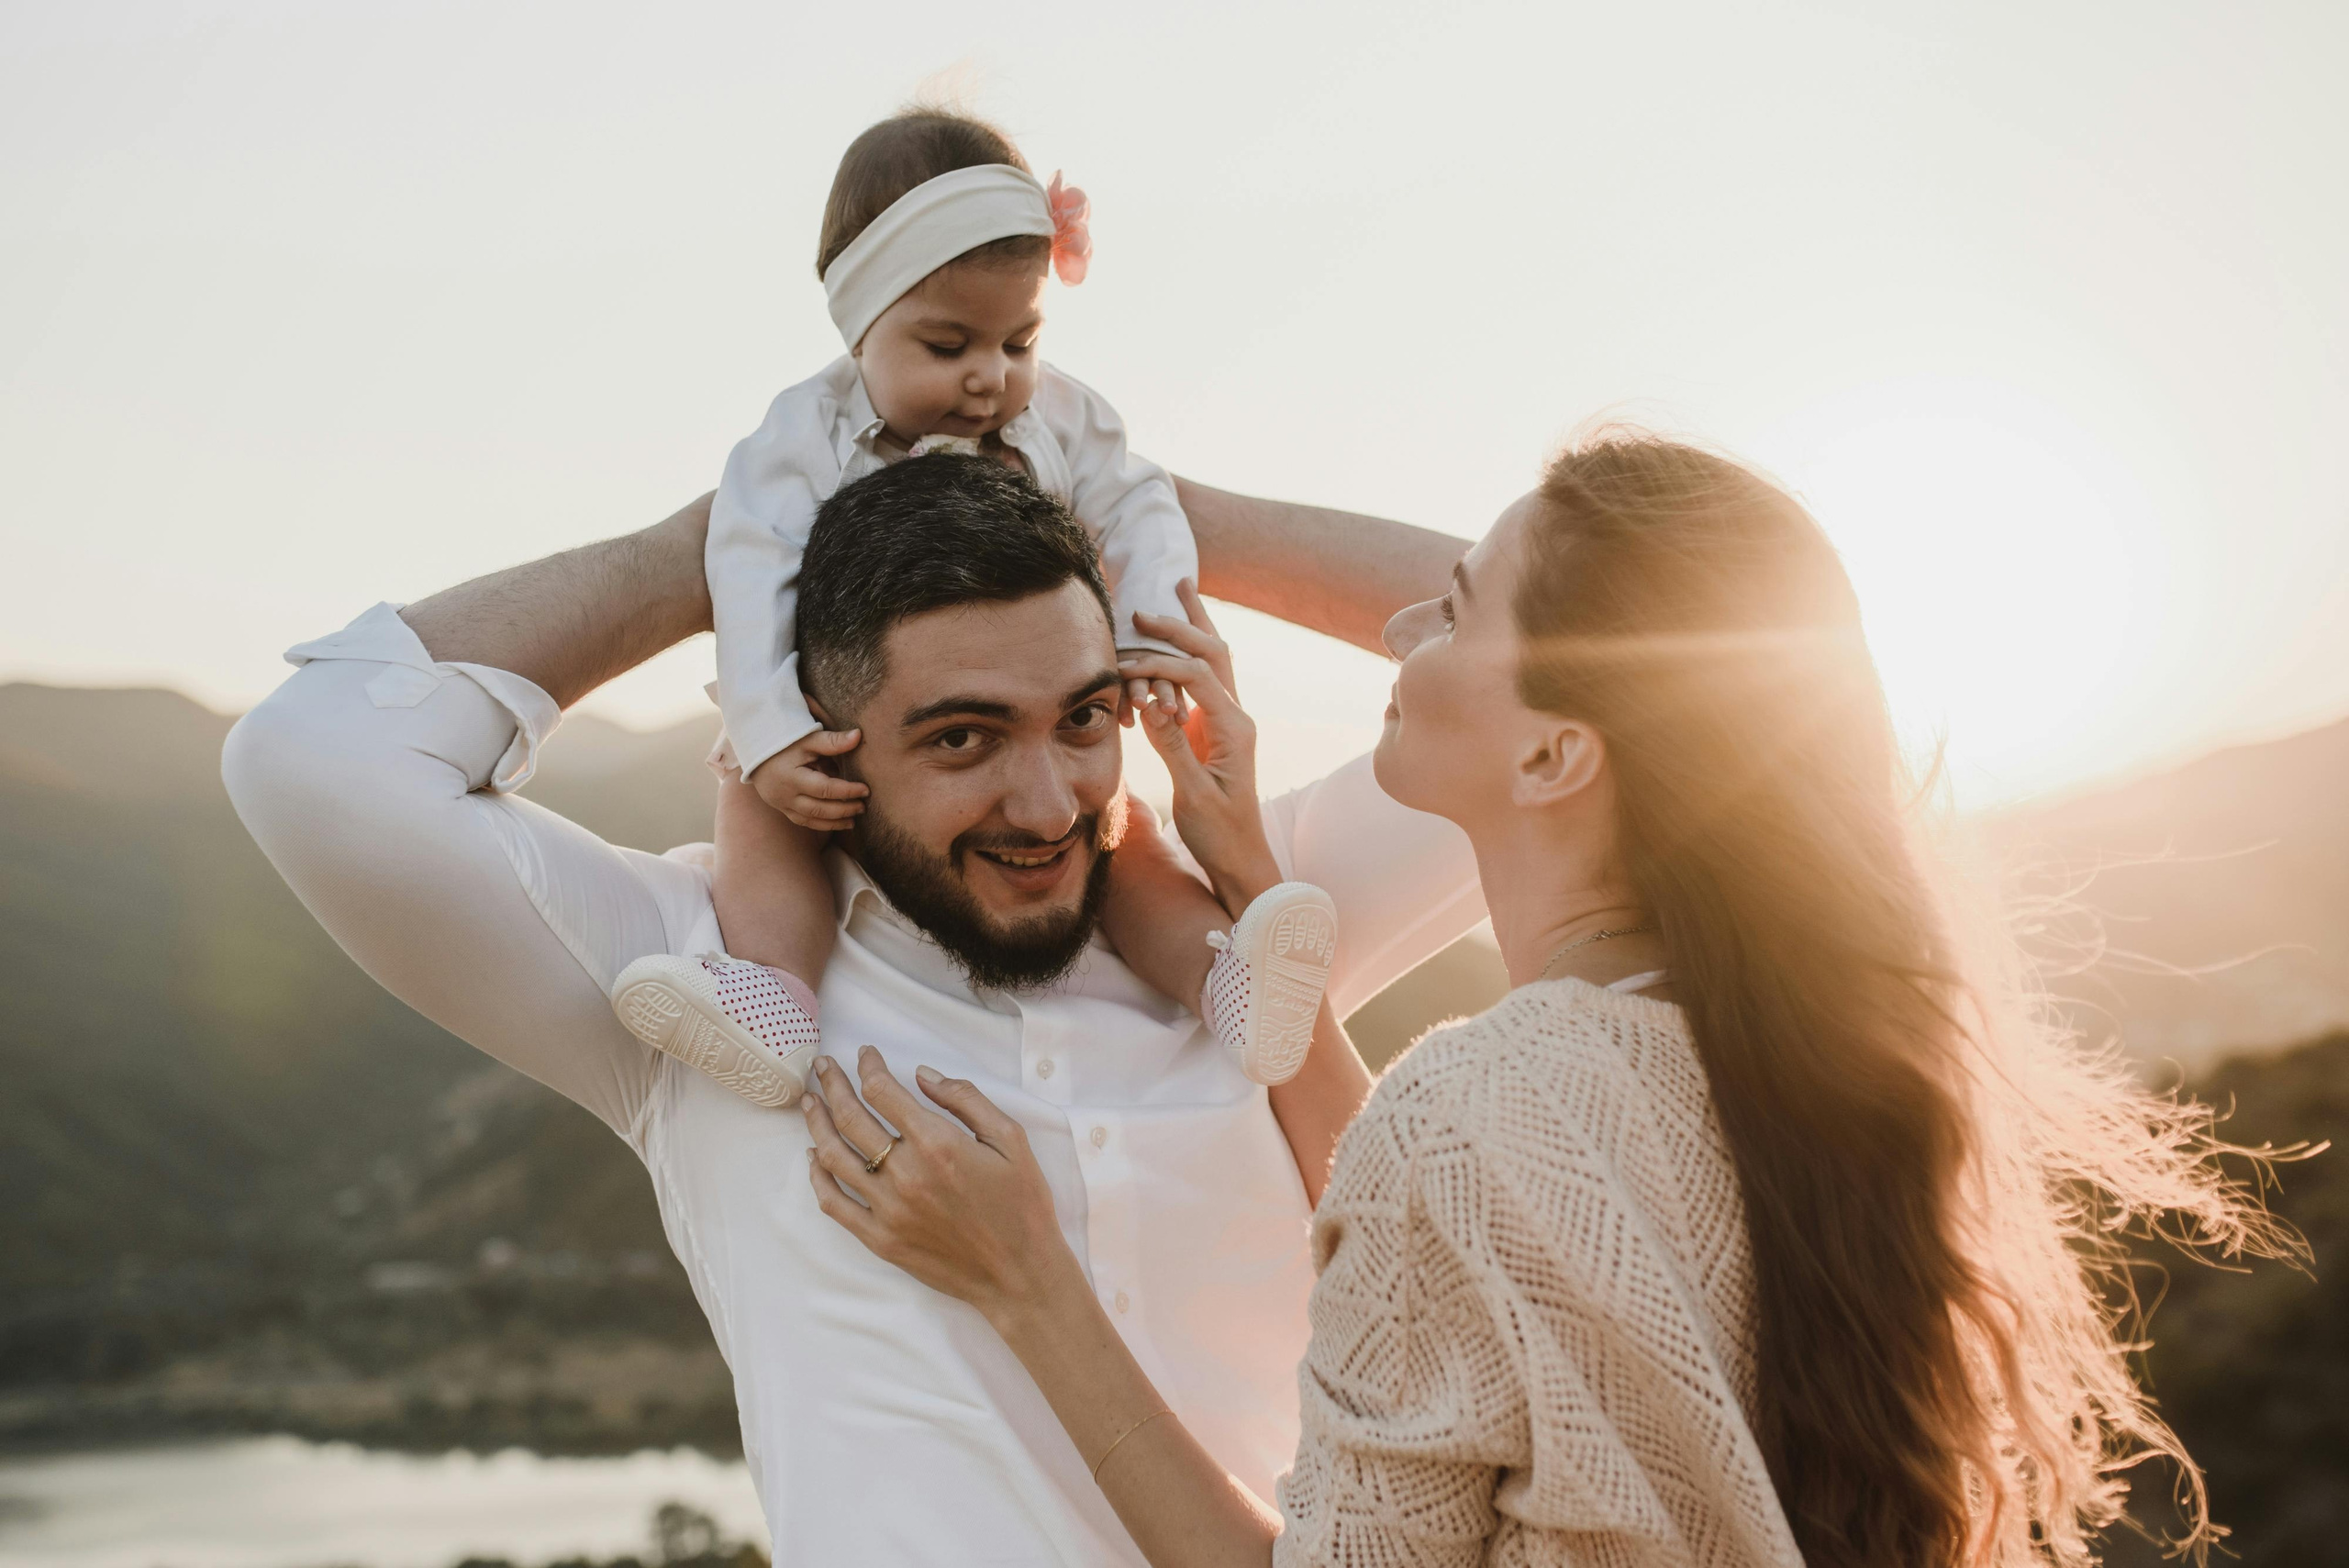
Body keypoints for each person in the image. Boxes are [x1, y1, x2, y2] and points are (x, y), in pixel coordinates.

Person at [798, 432, 2290, 1567]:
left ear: (1556, 756)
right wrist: (1249, 866)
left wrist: (1025, 1283)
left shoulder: (1475, 1121)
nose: (1397, 635)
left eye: (1451, 615)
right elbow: (1508, 1228)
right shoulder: (1802, 1069)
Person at [221, 458, 1485, 1565]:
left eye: (1083, 719)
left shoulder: (1247, 938)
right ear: (820, 745)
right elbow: (309, 754)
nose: (1048, 804)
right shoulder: (703, 984)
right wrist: (715, 541)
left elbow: (1580, 659)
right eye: (961, 739)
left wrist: (1146, 502)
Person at [631, 105, 1335, 1106]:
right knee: (758, 822)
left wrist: (1146, 624)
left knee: (1118, 843)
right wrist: (772, 729)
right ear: (859, 323)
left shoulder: (1060, 414)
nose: (987, 377)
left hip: (1017, 710)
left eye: (1019, 340)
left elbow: (1140, 504)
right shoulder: (798, 439)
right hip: (824, 727)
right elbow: (747, 573)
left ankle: (1225, 985)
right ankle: (776, 1002)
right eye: (947, 343)